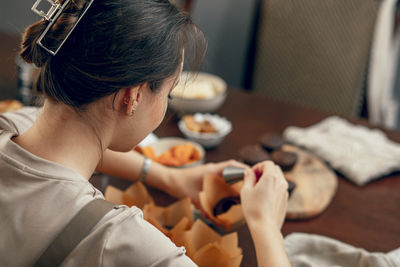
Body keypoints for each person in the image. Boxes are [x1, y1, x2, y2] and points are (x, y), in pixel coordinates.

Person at [0, 0, 290, 266]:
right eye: (169, 94)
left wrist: (168, 176)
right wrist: (266, 227)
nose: (166, 105)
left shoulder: (7, 126)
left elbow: (46, 129)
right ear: (133, 96)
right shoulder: (122, 242)